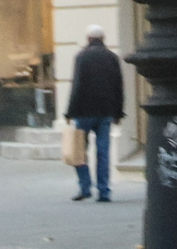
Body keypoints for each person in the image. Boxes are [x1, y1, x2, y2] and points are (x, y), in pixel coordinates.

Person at [63, 25, 123, 203]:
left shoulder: (82, 57)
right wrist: (118, 112)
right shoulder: (112, 58)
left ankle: (85, 187)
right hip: (105, 112)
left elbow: (77, 86)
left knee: (79, 150)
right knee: (103, 152)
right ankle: (104, 191)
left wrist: (70, 112)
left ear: (88, 38)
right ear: (103, 38)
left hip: (83, 112)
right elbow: (118, 87)